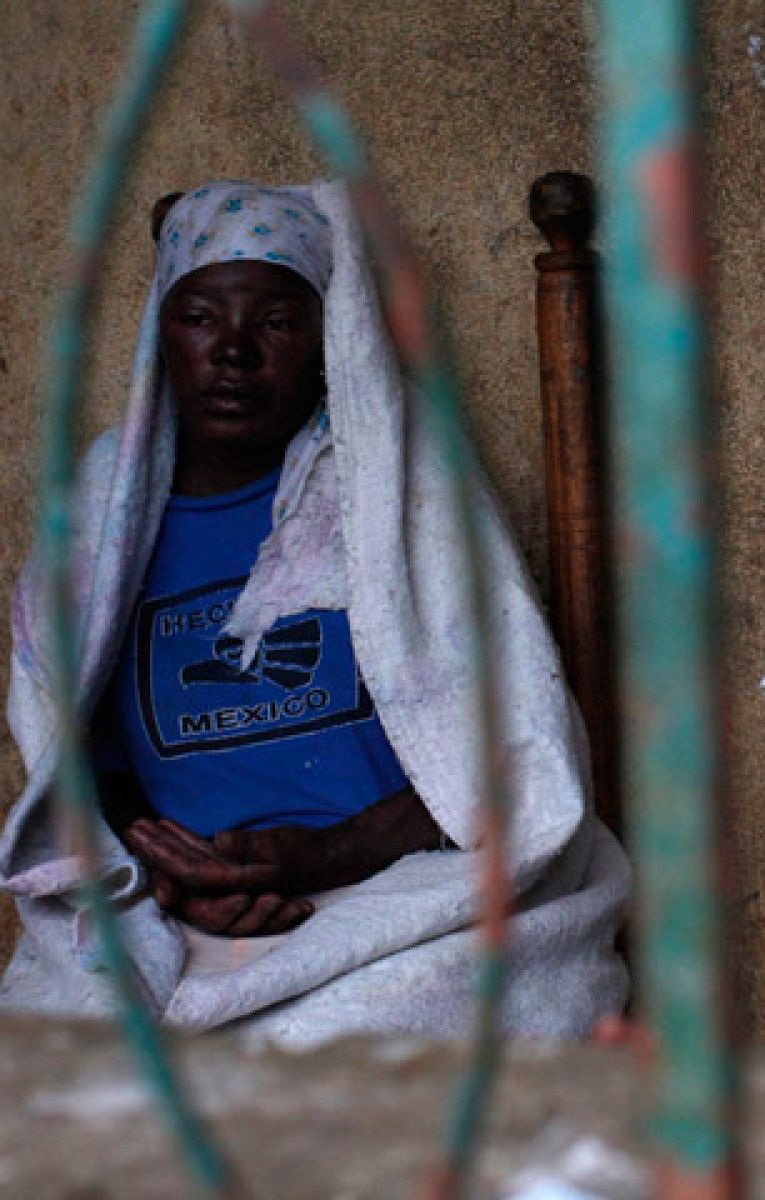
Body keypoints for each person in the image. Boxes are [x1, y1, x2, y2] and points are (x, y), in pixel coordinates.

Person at [0, 180, 628, 1044]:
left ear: (330, 336)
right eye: (200, 317)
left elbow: (511, 749)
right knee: (56, 1069)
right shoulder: (103, 518)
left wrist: (327, 856)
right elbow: (79, 763)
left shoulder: (396, 484)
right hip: (175, 911)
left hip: (402, 894)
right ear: (162, 334)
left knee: (419, 1041)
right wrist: (165, 875)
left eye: (275, 322)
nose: (233, 351)